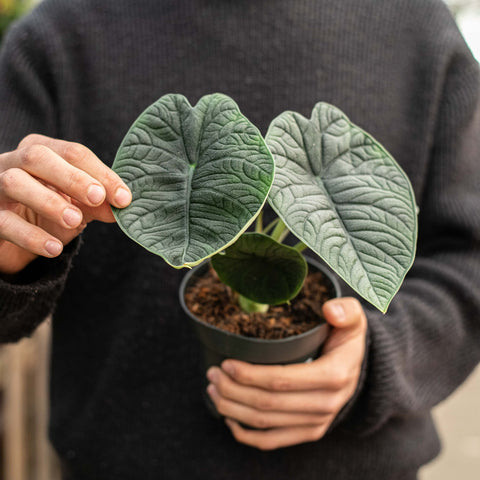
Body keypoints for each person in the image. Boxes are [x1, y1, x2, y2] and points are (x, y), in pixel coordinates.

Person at [0, 0, 479, 478]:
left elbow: (470, 258)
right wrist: (10, 267)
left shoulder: (417, 24)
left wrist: (378, 361)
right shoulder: (57, 35)